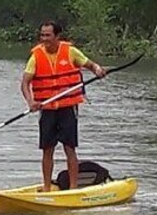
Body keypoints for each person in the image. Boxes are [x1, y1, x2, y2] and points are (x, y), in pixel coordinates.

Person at [21, 21, 106, 192]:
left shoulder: (70, 51)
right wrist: (31, 102)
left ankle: (73, 188)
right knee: (47, 149)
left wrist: (97, 69)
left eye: (47, 35)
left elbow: (90, 65)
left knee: (69, 148)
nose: (43, 39)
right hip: (47, 109)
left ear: (57, 36)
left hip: (68, 107)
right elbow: (25, 83)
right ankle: (46, 188)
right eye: (42, 35)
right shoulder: (36, 56)